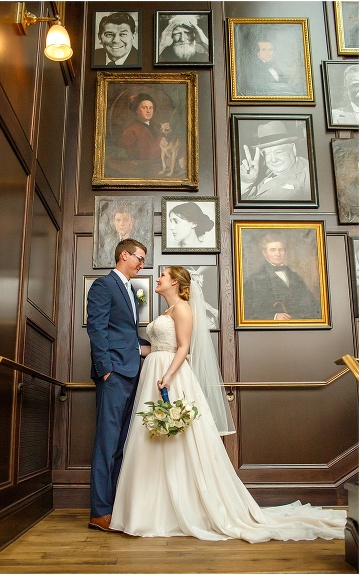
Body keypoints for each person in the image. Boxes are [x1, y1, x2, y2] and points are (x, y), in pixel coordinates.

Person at [109, 266, 345, 541]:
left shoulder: (183, 309)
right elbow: (158, 346)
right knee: (151, 438)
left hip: (170, 375)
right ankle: (151, 509)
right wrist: (125, 350)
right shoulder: (164, 312)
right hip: (154, 369)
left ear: (174, 282)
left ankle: (184, 509)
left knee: (178, 438)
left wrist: (168, 376)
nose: (158, 279)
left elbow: (184, 347)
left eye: (163, 275)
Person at [86, 238, 150, 532]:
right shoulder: (103, 285)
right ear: (124, 255)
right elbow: (97, 328)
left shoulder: (131, 290)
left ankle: (113, 508)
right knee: (106, 444)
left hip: (131, 373)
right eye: (139, 258)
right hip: (114, 376)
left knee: (121, 445)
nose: (141, 264)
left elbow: (125, 335)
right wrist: (106, 370)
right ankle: (99, 512)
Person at [243, 234, 322, 320]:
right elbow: (247, 311)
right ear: (265, 253)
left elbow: (312, 303)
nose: (278, 254)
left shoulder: (295, 277)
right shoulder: (254, 281)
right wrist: (274, 317)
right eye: (273, 250)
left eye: (281, 250)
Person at [239, 121, 311, 201]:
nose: (273, 160)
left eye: (278, 152)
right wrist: (247, 181)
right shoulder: (261, 172)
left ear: (293, 149)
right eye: (267, 154)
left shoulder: (309, 174)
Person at [118, 93, 162, 177]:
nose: (148, 111)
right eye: (144, 108)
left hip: (158, 168)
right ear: (136, 110)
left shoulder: (158, 128)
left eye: (151, 108)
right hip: (141, 170)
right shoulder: (130, 130)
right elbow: (128, 155)